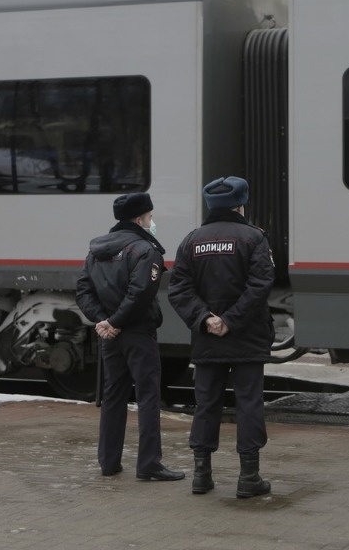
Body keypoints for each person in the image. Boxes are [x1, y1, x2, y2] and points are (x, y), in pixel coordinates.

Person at [168, 176, 276, 498]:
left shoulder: (192, 241)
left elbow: (179, 289)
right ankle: (249, 477)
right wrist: (230, 321)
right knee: (249, 404)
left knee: (206, 404)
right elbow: (260, 285)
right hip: (246, 337)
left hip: (207, 340)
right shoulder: (254, 238)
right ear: (241, 204)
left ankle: (202, 475)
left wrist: (206, 320)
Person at [75, 192, 185, 482]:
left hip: (109, 336)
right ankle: (149, 464)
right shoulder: (145, 250)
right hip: (137, 332)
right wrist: (114, 321)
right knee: (148, 396)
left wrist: (102, 321)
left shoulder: (96, 250)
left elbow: (83, 291)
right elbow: (140, 294)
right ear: (139, 218)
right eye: (150, 217)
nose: (152, 222)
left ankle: (108, 462)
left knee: (113, 396)